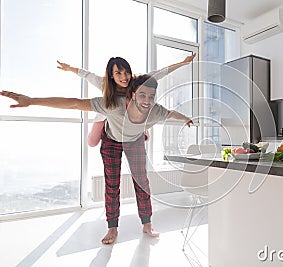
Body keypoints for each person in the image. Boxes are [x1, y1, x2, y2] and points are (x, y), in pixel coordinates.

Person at [1, 69, 193, 245]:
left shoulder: (155, 111)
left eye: (151, 97)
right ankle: (112, 227)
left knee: (142, 182)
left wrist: (185, 118)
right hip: (111, 141)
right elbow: (75, 103)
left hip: (134, 141)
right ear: (132, 94)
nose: (147, 100)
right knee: (112, 184)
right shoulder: (112, 105)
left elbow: (171, 113)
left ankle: (147, 223)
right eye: (142, 94)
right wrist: (32, 100)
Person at [56, 54, 196, 147]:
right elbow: (86, 75)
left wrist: (183, 63)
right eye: (118, 73)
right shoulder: (103, 83)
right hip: (108, 114)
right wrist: (69, 68)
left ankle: (141, 131)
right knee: (92, 142)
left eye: (126, 72)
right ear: (111, 75)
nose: (124, 77)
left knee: (140, 131)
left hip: (131, 116)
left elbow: (159, 73)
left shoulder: (136, 82)